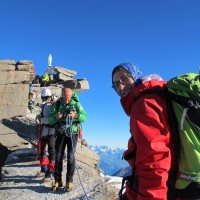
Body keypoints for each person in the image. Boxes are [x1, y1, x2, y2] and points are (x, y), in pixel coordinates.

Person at [112, 62, 178, 199]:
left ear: (136, 75)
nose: (121, 87)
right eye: (116, 84)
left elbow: (154, 160)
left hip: (162, 189)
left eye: (124, 78)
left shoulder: (143, 104)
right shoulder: (155, 95)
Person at [49, 87, 87, 192]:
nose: (67, 100)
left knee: (71, 156)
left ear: (71, 96)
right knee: (58, 156)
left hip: (72, 133)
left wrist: (76, 115)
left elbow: (85, 117)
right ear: (62, 95)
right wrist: (56, 117)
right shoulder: (56, 104)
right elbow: (50, 120)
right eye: (65, 98)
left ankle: (69, 181)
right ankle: (58, 180)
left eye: (69, 98)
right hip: (60, 133)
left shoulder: (76, 104)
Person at [35, 88, 56, 182]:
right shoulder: (46, 105)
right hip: (45, 131)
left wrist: (41, 119)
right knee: (42, 150)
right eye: (44, 97)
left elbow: (52, 120)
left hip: (51, 131)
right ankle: (44, 169)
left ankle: (50, 172)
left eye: (45, 97)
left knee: (51, 151)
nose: (45, 98)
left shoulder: (51, 106)